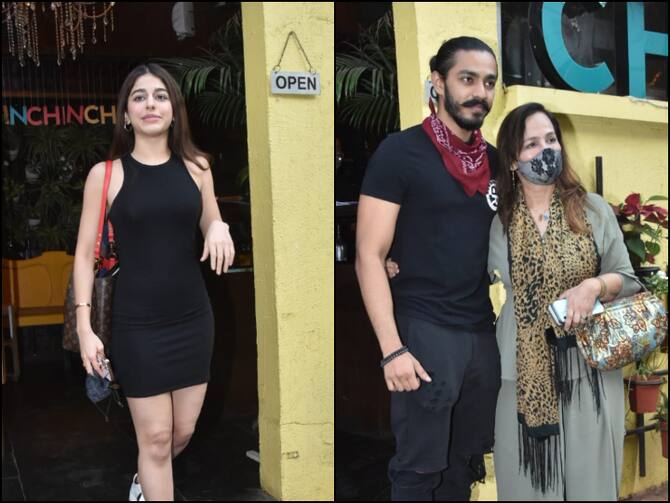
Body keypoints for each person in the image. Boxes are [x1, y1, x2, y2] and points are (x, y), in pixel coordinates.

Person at [72, 63, 235, 501]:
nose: (150, 104)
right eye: (139, 96)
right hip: (137, 324)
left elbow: (211, 219)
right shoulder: (106, 175)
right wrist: (85, 328)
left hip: (193, 318)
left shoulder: (198, 168)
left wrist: (218, 226)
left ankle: (143, 484)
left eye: (161, 96)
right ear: (126, 113)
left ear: (174, 110)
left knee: (182, 433)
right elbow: (84, 256)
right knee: (157, 439)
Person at [356, 37, 501, 501]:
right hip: (423, 332)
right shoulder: (400, 152)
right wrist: (391, 349)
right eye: (467, 79)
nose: (480, 92)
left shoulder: (495, 161)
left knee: (463, 467)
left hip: (480, 333)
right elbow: (369, 254)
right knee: (418, 472)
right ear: (438, 82)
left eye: (489, 82)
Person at [488, 102, 639, 500]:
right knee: (525, 488)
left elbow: (627, 279)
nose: (546, 150)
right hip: (521, 375)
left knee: (592, 488)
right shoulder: (498, 223)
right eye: (532, 144)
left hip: (589, 370)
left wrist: (593, 286)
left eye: (551, 139)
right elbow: (462, 279)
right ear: (512, 160)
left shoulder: (592, 210)